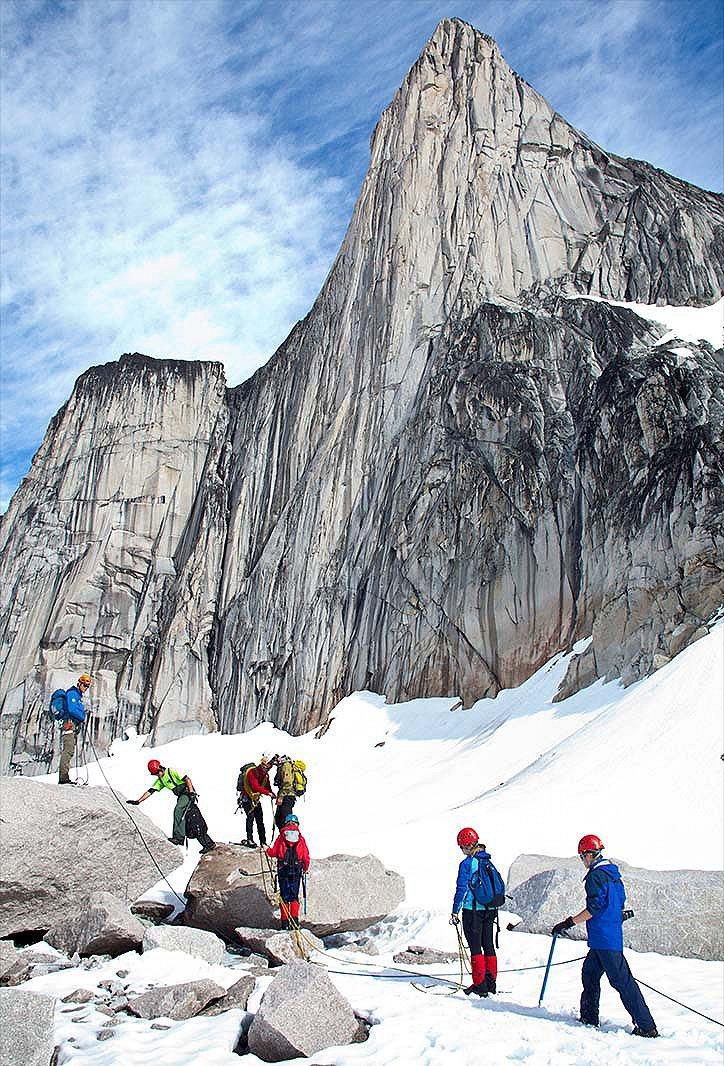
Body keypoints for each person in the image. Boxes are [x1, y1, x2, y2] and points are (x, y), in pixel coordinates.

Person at [551, 834, 658, 1038]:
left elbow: (595, 908)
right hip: (605, 937)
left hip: (605, 939)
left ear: (589, 854)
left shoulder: (595, 876)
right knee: (589, 973)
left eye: (582, 856)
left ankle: (647, 1026)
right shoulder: (612, 873)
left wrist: (569, 922)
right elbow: (619, 900)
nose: (582, 861)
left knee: (622, 981)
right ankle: (589, 1017)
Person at [450, 827, 502, 996]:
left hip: (473, 911)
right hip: (491, 910)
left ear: (465, 846)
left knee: (475, 947)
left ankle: (480, 986)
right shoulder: (487, 860)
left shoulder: (467, 864)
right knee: (488, 945)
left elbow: (461, 889)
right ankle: (491, 983)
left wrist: (454, 911)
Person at [127, 760, 216, 853]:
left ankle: (179, 838)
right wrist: (138, 801)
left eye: (157, 773)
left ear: (160, 768)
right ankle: (208, 844)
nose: (157, 775)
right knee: (191, 820)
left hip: (187, 793)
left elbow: (187, 779)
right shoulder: (161, 780)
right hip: (181, 796)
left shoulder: (171, 771)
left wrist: (191, 793)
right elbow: (151, 791)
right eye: (155, 774)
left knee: (178, 810)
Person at [266, 814, 310, 929]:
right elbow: (306, 856)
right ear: (296, 824)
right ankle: (295, 923)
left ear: (286, 823)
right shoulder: (300, 837)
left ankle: (284, 923)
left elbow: (273, 852)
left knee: (284, 896)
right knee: (294, 895)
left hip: (283, 868)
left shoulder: (281, 836)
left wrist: (266, 850)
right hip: (297, 868)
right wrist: (305, 868)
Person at [58, 674, 92, 784]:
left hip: (73, 725)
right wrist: (82, 717)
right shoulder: (72, 694)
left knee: (70, 750)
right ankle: (63, 778)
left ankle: (64, 776)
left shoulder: (78, 696)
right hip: (69, 724)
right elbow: (72, 709)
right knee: (68, 750)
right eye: (85, 685)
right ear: (80, 683)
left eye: (88, 686)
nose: (86, 688)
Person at [237, 754, 275, 847]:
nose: (268, 769)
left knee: (259, 819)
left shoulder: (265, 775)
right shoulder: (252, 772)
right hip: (246, 798)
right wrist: (268, 793)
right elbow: (255, 786)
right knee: (250, 818)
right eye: (267, 767)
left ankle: (263, 841)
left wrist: (271, 793)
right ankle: (250, 839)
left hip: (255, 798)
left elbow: (267, 786)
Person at [273, 754, 298, 829]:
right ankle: (283, 837)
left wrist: (281, 796)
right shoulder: (283, 765)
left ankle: (289, 838)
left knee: (286, 820)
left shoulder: (286, 765)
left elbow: (287, 783)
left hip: (287, 796)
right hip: (286, 795)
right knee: (279, 819)